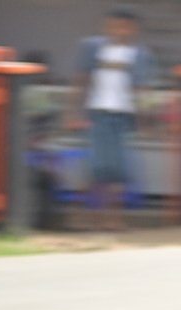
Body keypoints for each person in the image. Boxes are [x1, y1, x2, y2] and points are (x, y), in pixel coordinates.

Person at [73, 10, 154, 232]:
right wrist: (74, 112)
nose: (118, 31)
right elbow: (81, 81)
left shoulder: (139, 55)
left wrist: (144, 120)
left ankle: (113, 219)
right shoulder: (93, 47)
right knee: (97, 169)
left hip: (124, 117)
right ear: (106, 26)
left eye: (123, 27)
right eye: (113, 26)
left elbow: (141, 90)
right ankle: (84, 217)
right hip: (98, 114)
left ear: (133, 29)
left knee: (119, 171)